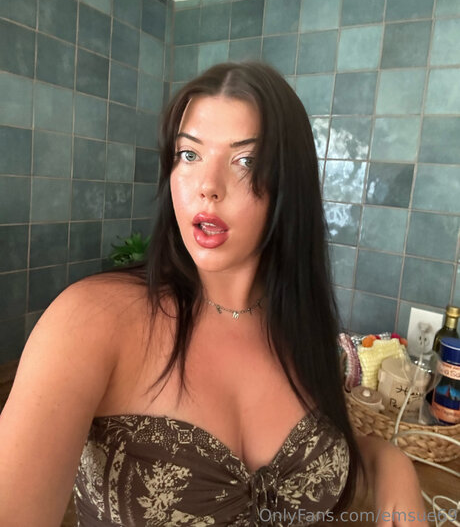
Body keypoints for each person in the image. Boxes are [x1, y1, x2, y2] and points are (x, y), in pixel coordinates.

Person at [0, 61, 427, 527]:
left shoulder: (306, 330)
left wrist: (389, 462)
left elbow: (332, 454)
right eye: (189, 154)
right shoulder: (90, 320)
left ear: (290, 183)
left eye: (246, 161)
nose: (208, 187)